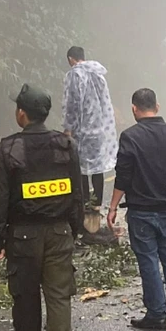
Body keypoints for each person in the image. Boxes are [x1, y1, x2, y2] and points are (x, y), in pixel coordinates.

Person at [0, 83, 83, 331]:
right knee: (59, 300)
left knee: (25, 299)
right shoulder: (66, 146)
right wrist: (74, 230)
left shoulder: (8, 148)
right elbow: (78, 195)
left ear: (21, 114)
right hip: (59, 233)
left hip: (22, 238)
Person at [107, 88, 166, 330]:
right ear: (158, 106)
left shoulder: (130, 136)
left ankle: (156, 314)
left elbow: (123, 175)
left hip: (141, 210)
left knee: (149, 262)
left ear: (134, 109)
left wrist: (112, 207)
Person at [61, 46, 117, 214]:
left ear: (71, 59)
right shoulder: (98, 73)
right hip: (99, 129)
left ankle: (85, 201)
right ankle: (97, 203)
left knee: (81, 167)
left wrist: (68, 127)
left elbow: (72, 103)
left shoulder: (73, 75)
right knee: (97, 167)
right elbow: (105, 102)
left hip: (82, 129)